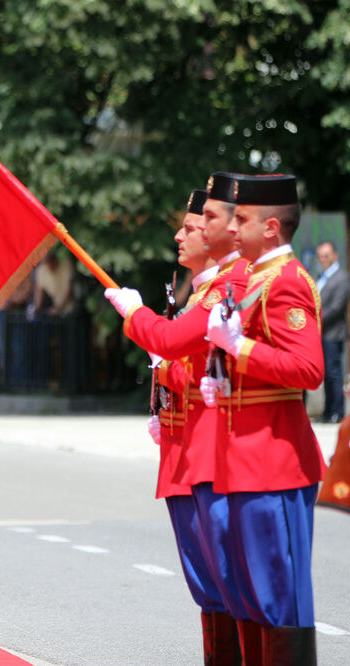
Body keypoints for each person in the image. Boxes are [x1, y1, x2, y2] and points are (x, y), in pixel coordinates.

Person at [106, 188, 249, 663]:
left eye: (192, 225)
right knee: (207, 584)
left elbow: (174, 342)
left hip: (212, 450)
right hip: (185, 446)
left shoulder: (233, 284)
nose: (181, 234)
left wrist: (134, 314)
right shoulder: (201, 290)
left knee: (229, 582)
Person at [205, 172, 326, 663]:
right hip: (244, 460)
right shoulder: (253, 279)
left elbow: (309, 369)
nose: (233, 228)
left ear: (272, 227)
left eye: (243, 219)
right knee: (248, 599)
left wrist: (241, 348)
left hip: (275, 463)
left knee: (279, 601)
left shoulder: (286, 283)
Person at [315, 241, 349, 422]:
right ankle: (328, 412)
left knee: (334, 374)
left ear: (335, 255)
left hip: (333, 334)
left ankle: (337, 412)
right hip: (322, 334)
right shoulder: (322, 277)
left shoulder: (341, 277)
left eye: (326, 255)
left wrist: (315, 321)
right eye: (320, 256)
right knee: (326, 375)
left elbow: (336, 308)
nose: (323, 259)